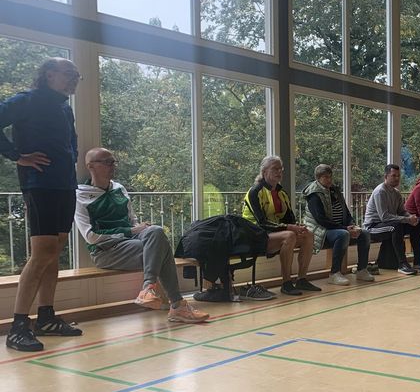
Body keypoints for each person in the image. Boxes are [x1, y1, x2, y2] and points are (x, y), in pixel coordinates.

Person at [1, 58, 83, 351]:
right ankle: (18, 327)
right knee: (42, 253)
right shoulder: (26, 100)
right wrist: (16, 156)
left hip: (65, 185)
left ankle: (46, 317)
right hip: (40, 185)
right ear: (48, 74)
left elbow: (71, 142)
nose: (74, 79)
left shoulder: (64, 108)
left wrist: (71, 160)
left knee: (55, 251)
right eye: (69, 73)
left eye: (77, 75)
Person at [74, 148, 209, 323]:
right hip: (105, 251)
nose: (112, 166)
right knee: (162, 249)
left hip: (130, 244)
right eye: (107, 162)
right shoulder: (81, 195)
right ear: (90, 166)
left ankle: (148, 289)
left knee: (156, 231)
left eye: (113, 162)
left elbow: (133, 221)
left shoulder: (119, 189)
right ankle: (177, 306)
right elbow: (90, 236)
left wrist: (140, 229)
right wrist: (130, 232)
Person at [242, 155, 319, 297]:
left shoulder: (281, 193)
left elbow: (290, 219)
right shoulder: (255, 192)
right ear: (264, 171)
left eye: (281, 169)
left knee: (308, 234)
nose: (279, 172)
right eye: (275, 169)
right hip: (255, 235)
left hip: (274, 234)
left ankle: (302, 279)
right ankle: (286, 283)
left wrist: (297, 226)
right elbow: (262, 223)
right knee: (289, 235)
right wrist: (289, 228)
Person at [301, 164, 374, 285]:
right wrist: (345, 228)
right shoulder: (313, 194)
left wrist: (352, 225)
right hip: (321, 230)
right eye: (326, 177)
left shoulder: (334, 190)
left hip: (340, 228)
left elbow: (345, 211)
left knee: (364, 233)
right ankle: (334, 273)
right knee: (343, 234)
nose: (329, 180)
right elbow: (321, 220)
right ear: (318, 178)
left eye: (330, 177)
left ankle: (362, 269)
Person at [363, 164, 418, 276]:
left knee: (417, 225)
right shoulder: (380, 191)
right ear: (386, 176)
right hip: (373, 226)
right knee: (395, 227)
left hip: (387, 225)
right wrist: (406, 219)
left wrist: (411, 218)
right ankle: (402, 264)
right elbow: (384, 217)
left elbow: (402, 211)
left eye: (398, 176)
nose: (397, 178)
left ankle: (419, 260)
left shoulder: (396, 193)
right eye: (393, 175)